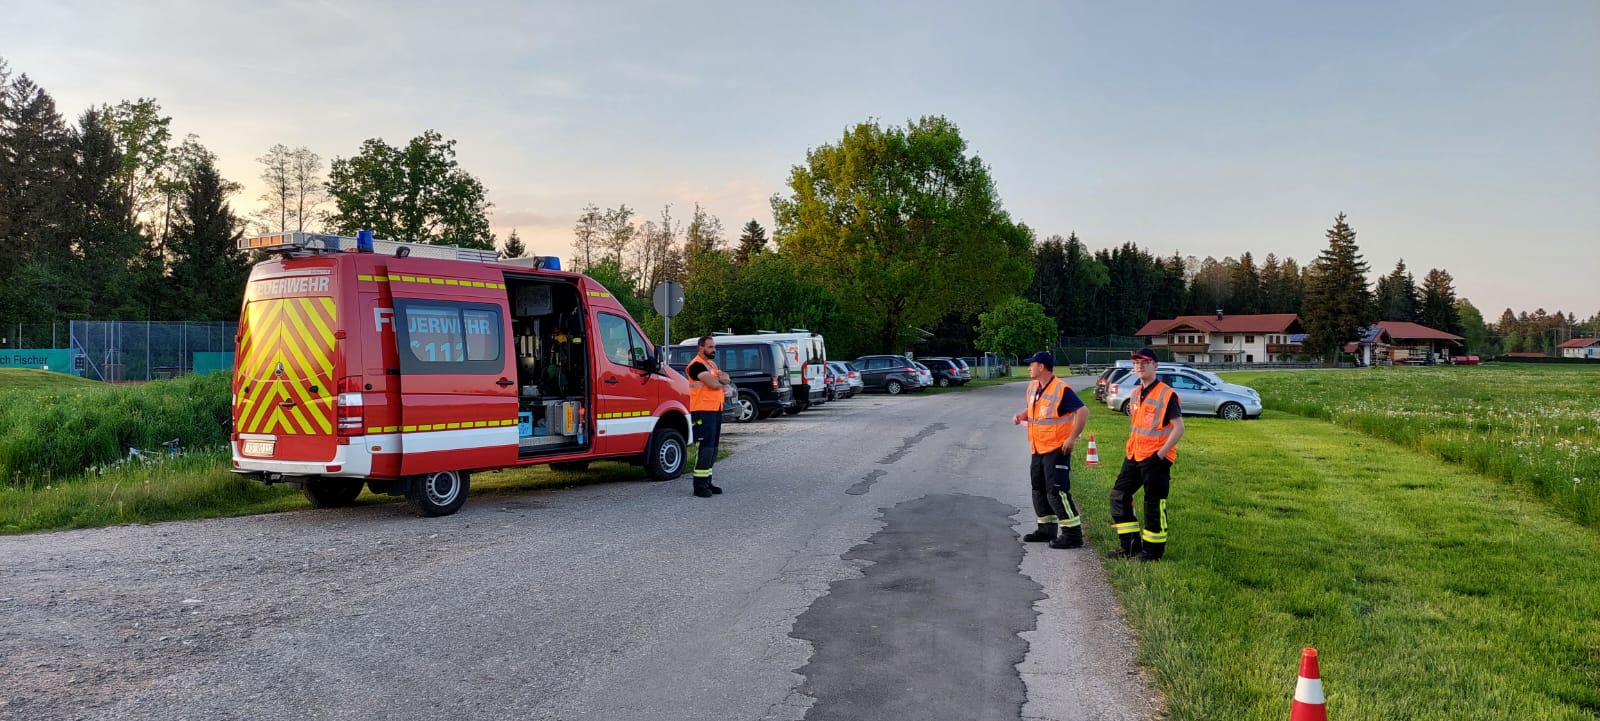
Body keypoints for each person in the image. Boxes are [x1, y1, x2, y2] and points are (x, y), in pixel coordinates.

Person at [1109, 348, 1185, 561]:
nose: (1140, 366)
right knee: (1119, 496)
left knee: (1153, 504)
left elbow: (1179, 428)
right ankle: (1130, 546)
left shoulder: (1166, 394)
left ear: (1155, 366)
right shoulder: (1135, 393)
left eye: (1145, 362)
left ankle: (1152, 552)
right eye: (1136, 363)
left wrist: (1160, 455)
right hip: (1134, 455)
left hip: (1156, 459)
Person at [1011, 350, 1089, 549]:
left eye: (1032, 364)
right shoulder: (1033, 387)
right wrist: (1022, 415)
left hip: (1057, 448)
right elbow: (1033, 409)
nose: (1029, 368)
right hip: (1038, 447)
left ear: (1041, 367)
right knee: (1038, 489)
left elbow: (1083, 411)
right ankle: (1046, 529)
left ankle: (1073, 535)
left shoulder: (1061, 389)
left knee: (1056, 491)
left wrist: (1071, 438)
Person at [686, 336, 730, 498]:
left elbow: (726, 378)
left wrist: (718, 379)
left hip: (715, 409)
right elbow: (715, 384)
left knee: (713, 448)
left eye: (714, 347)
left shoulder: (711, 365)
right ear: (700, 348)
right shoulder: (695, 365)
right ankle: (699, 485)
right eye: (710, 347)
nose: (714, 350)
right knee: (704, 448)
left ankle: (707, 481)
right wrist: (719, 379)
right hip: (702, 411)